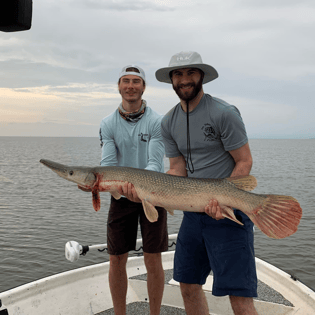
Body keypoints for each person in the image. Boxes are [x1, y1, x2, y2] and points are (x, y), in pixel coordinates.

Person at [155, 51, 258, 315]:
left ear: (201, 76)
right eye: (178, 74)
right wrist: (152, 189)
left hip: (228, 215)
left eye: (191, 73)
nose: (184, 79)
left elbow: (244, 162)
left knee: (239, 298)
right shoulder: (168, 122)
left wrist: (224, 200)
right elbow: (178, 169)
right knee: (188, 286)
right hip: (193, 217)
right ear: (171, 80)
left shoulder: (224, 113)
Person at [90, 65, 168, 315]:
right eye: (126, 81)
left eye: (136, 81)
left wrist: (140, 188)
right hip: (120, 196)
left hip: (153, 193)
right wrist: (122, 188)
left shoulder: (158, 121)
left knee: (153, 258)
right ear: (119, 86)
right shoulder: (107, 123)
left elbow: (155, 163)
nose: (131, 86)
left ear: (144, 87)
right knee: (116, 258)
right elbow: (108, 165)